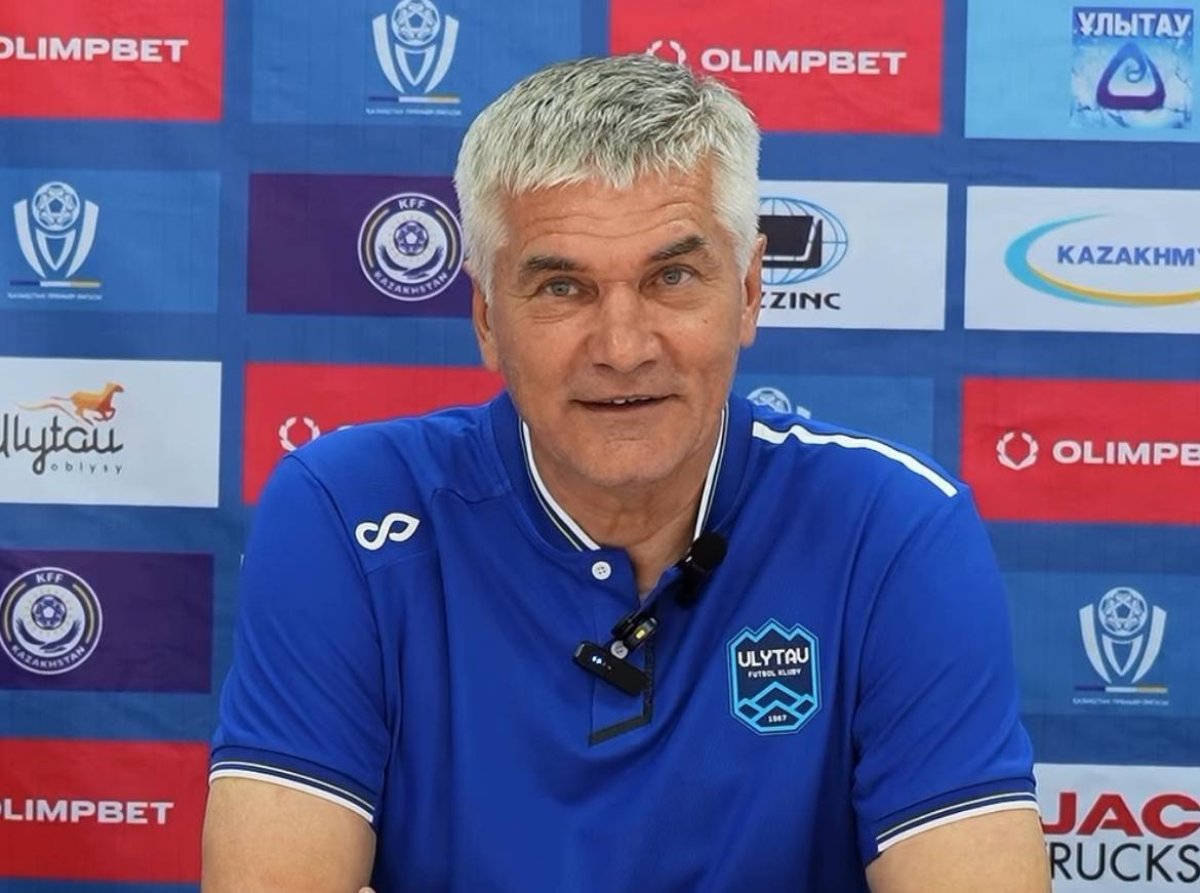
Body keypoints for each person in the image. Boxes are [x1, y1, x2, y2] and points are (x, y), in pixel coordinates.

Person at [201, 54, 1050, 892]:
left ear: (750, 291)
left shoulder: (892, 528)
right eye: (561, 288)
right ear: (488, 318)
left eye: (672, 277)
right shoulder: (345, 511)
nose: (622, 347)